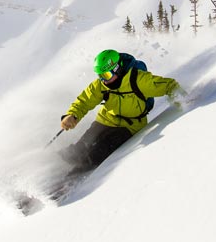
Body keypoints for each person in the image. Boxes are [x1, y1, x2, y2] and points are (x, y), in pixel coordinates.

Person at [58, 49, 184, 182]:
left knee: (99, 151)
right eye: (100, 76)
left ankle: (70, 180)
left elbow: (168, 85)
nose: (103, 80)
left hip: (129, 126)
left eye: (106, 75)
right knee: (80, 148)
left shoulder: (138, 80)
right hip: (105, 119)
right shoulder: (101, 85)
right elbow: (85, 100)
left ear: (117, 69)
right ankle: (54, 169)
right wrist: (72, 115)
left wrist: (182, 97)